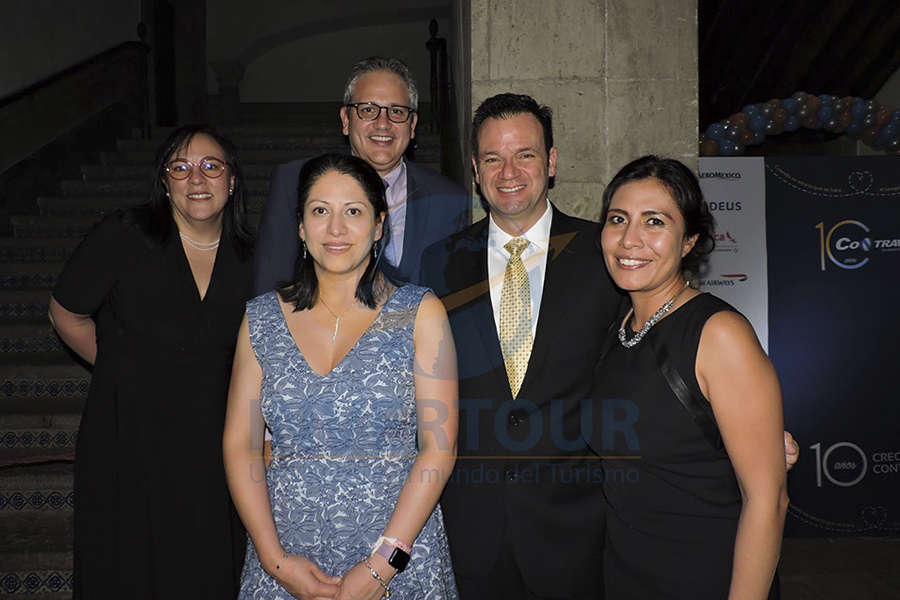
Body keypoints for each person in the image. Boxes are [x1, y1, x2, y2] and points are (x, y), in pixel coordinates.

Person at [420, 93, 799, 600]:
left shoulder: (609, 255)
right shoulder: (437, 263)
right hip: (474, 533)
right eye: (493, 157)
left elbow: (684, 352)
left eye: (526, 154)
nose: (509, 170)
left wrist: (756, 436)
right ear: (475, 168)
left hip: (585, 537)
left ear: (551, 162)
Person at [224, 153, 459, 599]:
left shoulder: (420, 314)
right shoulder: (260, 319)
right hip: (287, 559)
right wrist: (275, 561)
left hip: (398, 559)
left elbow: (439, 450)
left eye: (353, 211)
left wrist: (381, 567)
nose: (335, 229)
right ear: (300, 227)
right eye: (320, 211)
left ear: (378, 225)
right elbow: (240, 446)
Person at [48, 124, 253, 598]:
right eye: (179, 168)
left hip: (213, 443)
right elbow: (66, 313)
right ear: (164, 182)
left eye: (211, 166)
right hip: (129, 434)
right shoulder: (125, 235)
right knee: (127, 568)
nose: (196, 179)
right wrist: (122, 370)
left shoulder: (255, 258)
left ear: (232, 180)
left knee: (208, 569)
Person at [592, 156, 788, 599]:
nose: (629, 239)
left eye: (654, 222)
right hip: (627, 575)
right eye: (617, 219)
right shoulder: (619, 329)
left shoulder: (718, 333)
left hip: (707, 578)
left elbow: (768, 500)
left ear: (688, 242)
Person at [253, 56, 470, 294]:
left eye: (396, 111)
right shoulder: (295, 183)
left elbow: (454, 301)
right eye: (368, 110)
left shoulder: (449, 200)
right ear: (346, 120)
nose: (383, 123)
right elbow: (270, 292)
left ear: (413, 124)